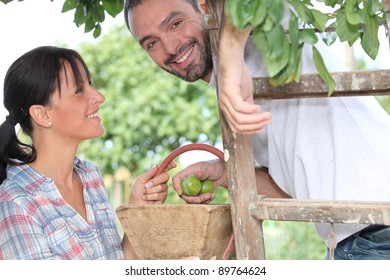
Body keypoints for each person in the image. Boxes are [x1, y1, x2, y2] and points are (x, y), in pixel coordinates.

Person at [124, 0, 390, 260]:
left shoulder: (270, 26)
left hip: (377, 230)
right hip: (353, 240)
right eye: (152, 43)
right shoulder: (229, 87)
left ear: (205, 7)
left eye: (175, 23)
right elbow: (297, 185)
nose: (170, 47)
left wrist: (229, 55)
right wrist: (225, 173)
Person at [0, 46, 176, 260]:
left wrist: (138, 209)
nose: (99, 97)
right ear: (42, 114)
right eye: (79, 90)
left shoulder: (90, 175)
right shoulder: (14, 200)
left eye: (90, 84)